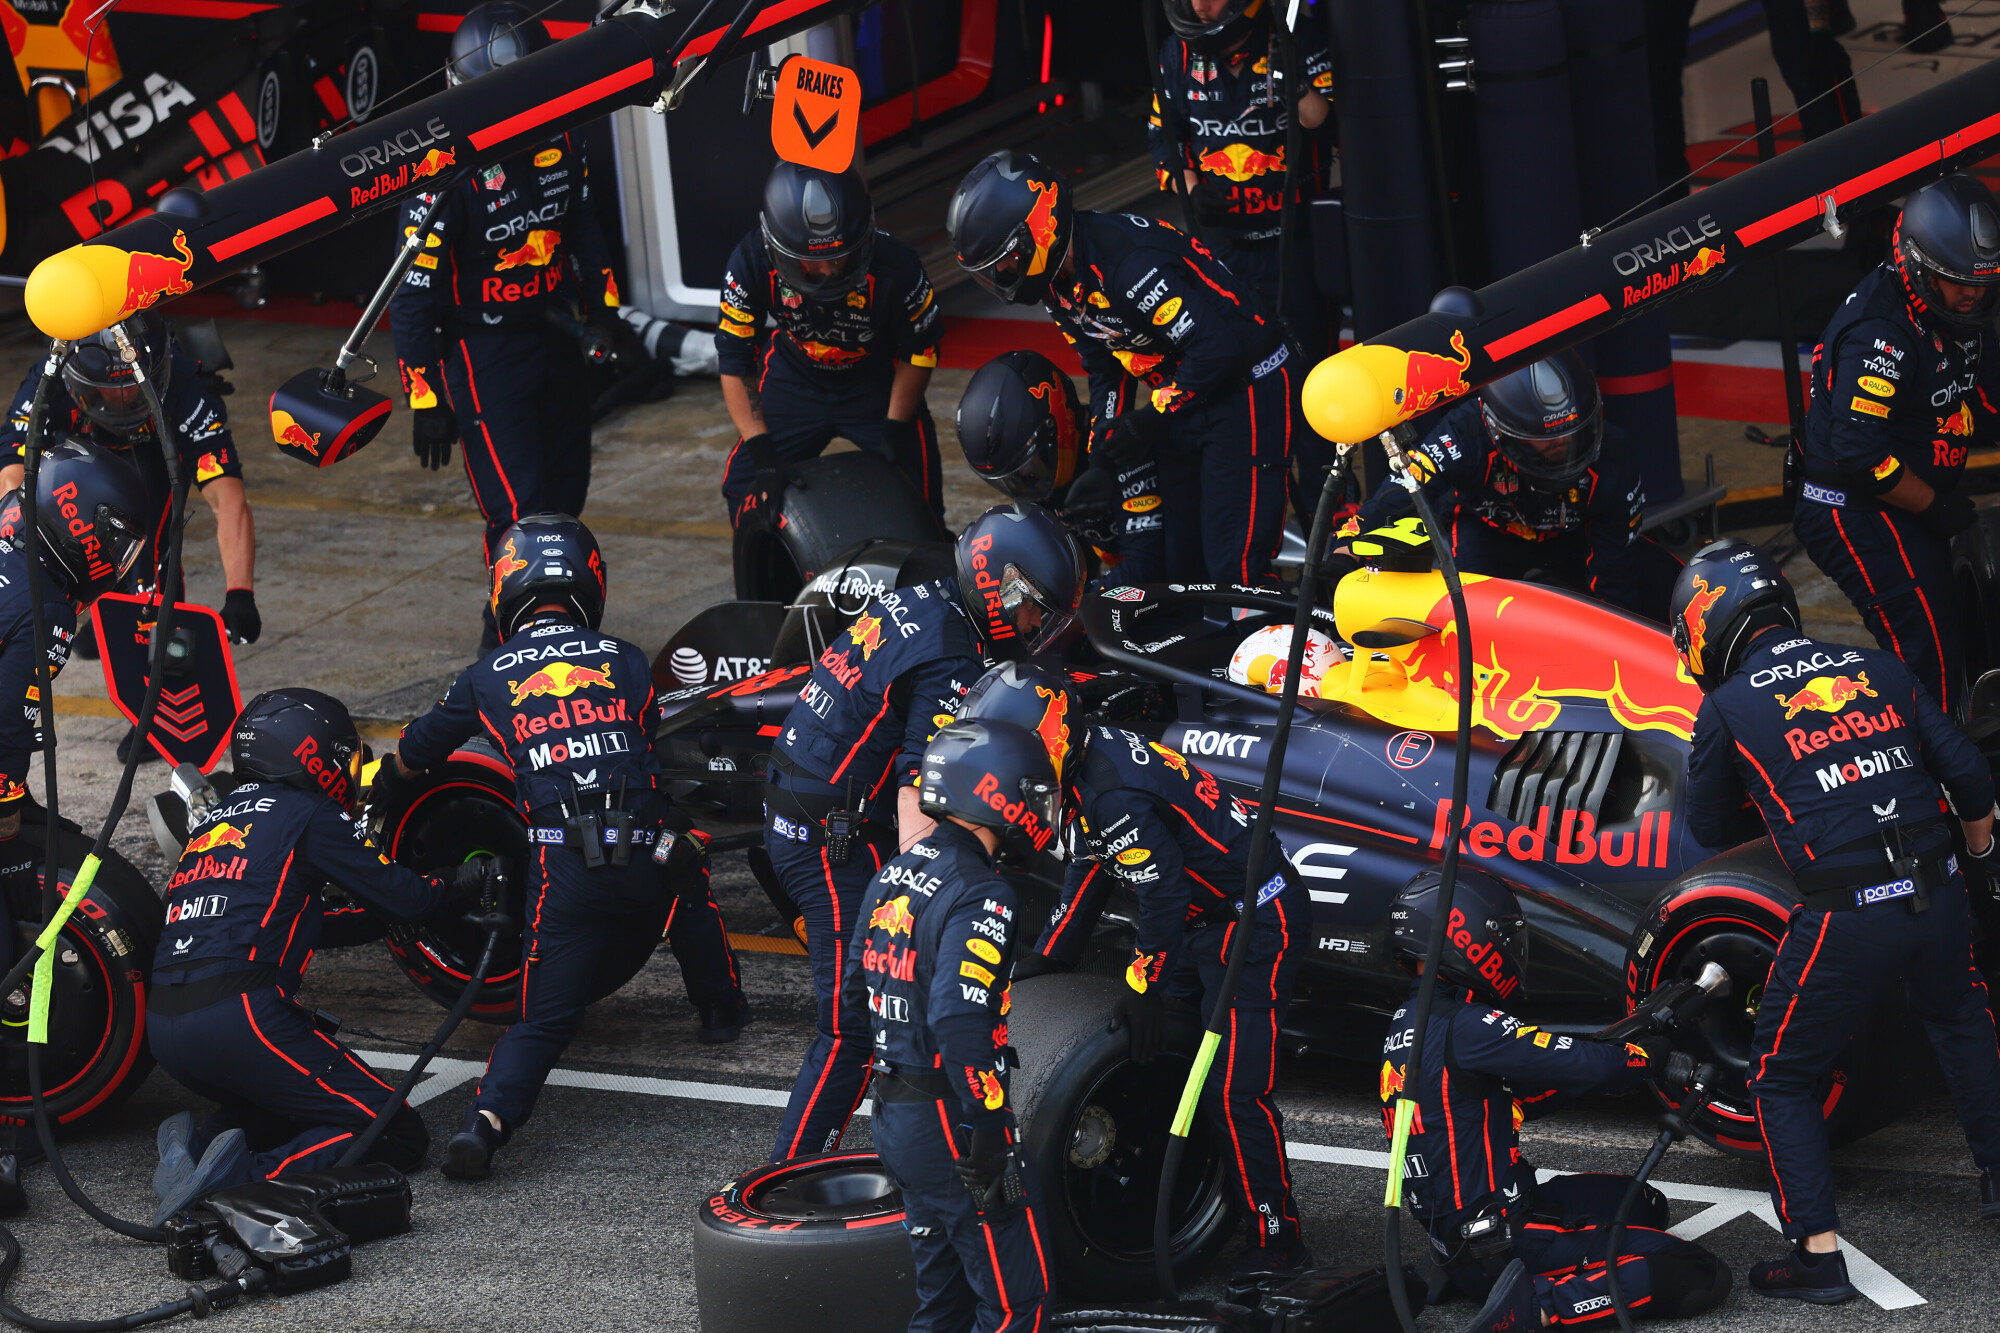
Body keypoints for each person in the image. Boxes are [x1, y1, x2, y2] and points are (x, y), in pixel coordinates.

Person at [1675, 538, 2000, 1302]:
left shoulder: (1726, 705)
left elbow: (1711, 828)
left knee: (1781, 1075)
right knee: (1960, 1017)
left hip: (1846, 915)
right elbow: (1971, 778)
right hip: (1938, 888)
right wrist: (1980, 861)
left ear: (1704, 626)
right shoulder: (1876, 664)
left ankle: (1817, 1255)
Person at [376, 513, 747, 1180]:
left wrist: (383, 787)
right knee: (690, 885)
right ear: (591, 583)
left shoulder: (486, 676)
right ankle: (720, 1008)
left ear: (505, 590)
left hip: (564, 864)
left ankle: (484, 1126)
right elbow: (654, 748)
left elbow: (416, 751)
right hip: (646, 850)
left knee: (542, 1020)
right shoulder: (629, 659)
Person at [764, 502, 1085, 1162]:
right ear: (1003, 584)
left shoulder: (928, 595)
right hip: (829, 836)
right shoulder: (951, 654)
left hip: (815, 802)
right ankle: (784, 1179)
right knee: (854, 1023)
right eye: (1033, 607)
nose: (1034, 625)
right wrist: (936, 890)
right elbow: (921, 786)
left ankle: (920, 1145)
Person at [999, 665, 1314, 1279]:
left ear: (1052, 737)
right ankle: (1184, 1191)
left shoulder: (1112, 792)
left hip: (1257, 924)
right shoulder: (1090, 767)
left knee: (1233, 1090)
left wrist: (1143, 985)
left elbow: (1162, 897)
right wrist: (1053, 953)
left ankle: (1281, 1239)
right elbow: (1092, 863)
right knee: (1165, 1052)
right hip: (1206, 922)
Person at [147, 689, 494, 1224]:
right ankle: (238, 1180)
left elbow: (305, 925)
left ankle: (198, 1146)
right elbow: (409, 895)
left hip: (167, 1026)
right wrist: (455, 884)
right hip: (238, 1019)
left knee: (288, 1102)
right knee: (397, 1132)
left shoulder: (212, 826)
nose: (346, 770)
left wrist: (386, 917)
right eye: (341, 757)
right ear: (310, 754)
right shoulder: (308, 814)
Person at [1381, 870, 1733, 1331]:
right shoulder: (1467, 1025)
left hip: (1469, 1230)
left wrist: (1622, 1053)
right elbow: (1588, 1063)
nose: (1513, 948)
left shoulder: (1414, 1022)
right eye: (1504, 936)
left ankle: (1466, 1273)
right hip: (1502, 1237)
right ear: (1466, 937)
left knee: (1645, 1203)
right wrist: (1648, 1058)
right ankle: (1541, 1306)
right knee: (1697, 1273)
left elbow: (1534, 1091)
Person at [388, 0, 620, 653]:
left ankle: (543, 630)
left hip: (556, 338)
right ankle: (510, 656)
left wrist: (605, 310)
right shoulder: (440, 176)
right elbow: (412, 295)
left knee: (565, 500)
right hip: (483, 354)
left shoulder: (563, 139)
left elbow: (584, 229)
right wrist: (428, 398)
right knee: (520, 515)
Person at [948, 150, 1293, 586]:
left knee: (1233, 561)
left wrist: (1150, 418)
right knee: (1181, 555)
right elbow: (1105, 367)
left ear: (1036, 229)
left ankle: (1266, 640)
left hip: (1249, 383)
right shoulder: (1059, 285)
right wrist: (1102, 463)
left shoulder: (1128, 266)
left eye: (1004, 262)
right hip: (1188, 389)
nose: (1001, 277)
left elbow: (1216, 349)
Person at [836, 718, 1056, 1332]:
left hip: (895, 1116)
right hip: (951, 1123)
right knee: (1018, 1303)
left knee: (944, 1302)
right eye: (1034, 791)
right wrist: (986, 1129)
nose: (1041, 805)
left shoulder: (895, 870)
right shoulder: (984, 892)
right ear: (995, 792)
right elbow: (959, 1019)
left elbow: (856, 988)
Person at [1794, 172, 2000, 714]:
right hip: (1851, 506)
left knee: (1954, 637)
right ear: (1919, 266)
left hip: (1912, 499)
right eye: (1958, 282)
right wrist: (1935, 506)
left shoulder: (1967, 305)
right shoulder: (1878, 332)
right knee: (1927, 653)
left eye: (1983, 283)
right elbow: (1860, 457)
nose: (1971, 296)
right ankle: (1922, 785)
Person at [1333, 352, 1678, 620]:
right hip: (1487, 534)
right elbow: (1400, 492)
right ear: (1498, 432)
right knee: (1472, 615)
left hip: (1574, 538)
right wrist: (1346, 544)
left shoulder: (1614, 460)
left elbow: (1616, 578)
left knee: (1655, 587)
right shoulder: (1464, 435)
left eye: (1574, 436)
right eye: (1547, 442)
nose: (1564, 448)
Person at [717, 160, 944, 563]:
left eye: (841, 257)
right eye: (810, 261)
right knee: (744, 482)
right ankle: (770, 585)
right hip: (794, 380)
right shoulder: (750, 260)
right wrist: (764, 454)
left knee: (922, 501)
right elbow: (735, 361)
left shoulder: (898, 266)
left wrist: (894, 428)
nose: (828, 269)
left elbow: (920, 352)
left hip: (876, 386)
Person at [0, 313, 260, 650]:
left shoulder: (184, 385)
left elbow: (225, 494)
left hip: (154, 451)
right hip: (78, 457)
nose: (123, 398)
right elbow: (13, 477)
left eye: (133, 388)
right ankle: (95, 604)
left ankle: (153, 612)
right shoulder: (48, 380)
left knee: (151, 524)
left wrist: (240, 592)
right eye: (108, 392)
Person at [1151, 0, 1334, 368]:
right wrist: (1191, 191)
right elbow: (1164, 138)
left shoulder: (1296, 38)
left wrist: (1296, 87)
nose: (1199, 5)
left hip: (1297, 246)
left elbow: (1339, 129)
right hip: (1221, 250)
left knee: (1312, 366)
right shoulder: (1177, 52)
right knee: (1238, 367)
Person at [954, 350, 1162, 575]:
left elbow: (1147, 566)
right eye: (1007, 480)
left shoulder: (1127, 454)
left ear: (1058, 430)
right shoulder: (1042, 481)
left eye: (1026, 464)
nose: (1022, 478)